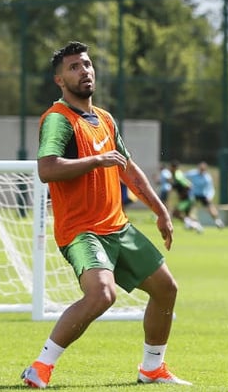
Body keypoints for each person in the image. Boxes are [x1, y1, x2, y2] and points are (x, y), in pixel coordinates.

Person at [22, 41, 190, 388]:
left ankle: (152, 368)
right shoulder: (58, 120)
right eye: (73, 67)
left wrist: (161, 211)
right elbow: (47, 169)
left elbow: (128, 169)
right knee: (103, 294)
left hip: (118, 228)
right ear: (59, 80)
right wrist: (97, 161)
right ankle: (41, 366)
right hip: (82, 231)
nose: (83, 71)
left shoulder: (105, 119)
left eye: (86, 64)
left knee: (166, 289)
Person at [184, 161, 224, 229]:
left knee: (210, 207)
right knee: (191, 208)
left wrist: (209, 196)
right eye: (200, 168)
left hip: (203, 194)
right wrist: (187, 184)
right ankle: (193, 223)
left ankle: (217, 221)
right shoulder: (193, 173)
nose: (201, 170)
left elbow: (211, 189)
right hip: (193, 194)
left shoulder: (207, 178)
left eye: (203, 169)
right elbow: (183, 177)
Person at [170, 161, 201, 233]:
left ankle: (191, 224)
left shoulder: (177, 176)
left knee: (175, 213)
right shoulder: (177, 175)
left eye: (171, 168)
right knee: (188, 216)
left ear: (173, 168)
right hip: (187, 199)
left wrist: (184, 194)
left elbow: (188, 185)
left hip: (186, 199)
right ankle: (196, 225)